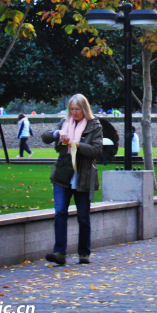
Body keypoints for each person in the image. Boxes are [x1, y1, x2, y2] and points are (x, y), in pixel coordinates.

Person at [42, 94, 103, 266]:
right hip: (63, 175)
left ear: (84, 109)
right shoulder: (64, 123)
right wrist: (57, 133)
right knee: (60, 212)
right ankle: (59, 252)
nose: (74, 112)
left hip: (83, 175)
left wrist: (76, 145)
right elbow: (45, 137)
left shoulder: (94, 125)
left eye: (77, 109)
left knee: (83, 216)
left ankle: (84, 253)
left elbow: (97, 150)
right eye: (72, 109)